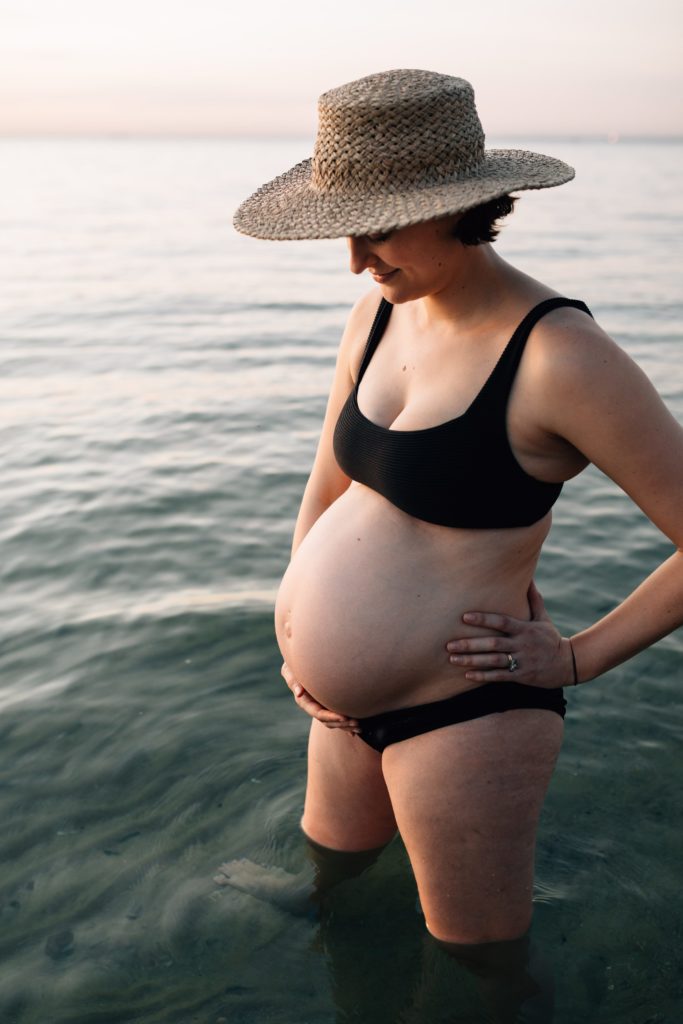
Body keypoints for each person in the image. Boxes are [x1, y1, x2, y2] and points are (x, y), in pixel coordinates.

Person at [230, 69, 683, 1018]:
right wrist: (293, 627)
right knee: (335, 888)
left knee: (476, 973)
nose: (355, 260)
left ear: (461, 207)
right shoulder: (377, 313)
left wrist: (573, 657)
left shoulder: (558, 355)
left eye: (377, 229)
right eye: (340, 230)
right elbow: (326, 487)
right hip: (334, 713)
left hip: (464, 718)